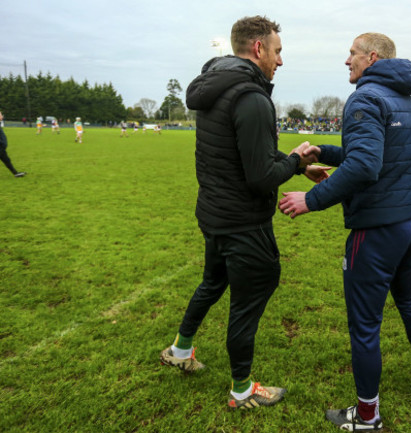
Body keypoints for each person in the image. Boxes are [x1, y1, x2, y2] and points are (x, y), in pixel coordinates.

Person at [159, 15, 328, 411]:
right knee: (250, 297)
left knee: (212, 282)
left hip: (215, 213)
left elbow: (246, 156)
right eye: (278, 51)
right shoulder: (251, 97)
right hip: (242, 220)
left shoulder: (219, 86)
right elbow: (260, 176)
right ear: (258, 49)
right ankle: (242, 389)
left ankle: (181, 350)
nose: (280, 61)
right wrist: (296, 158)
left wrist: (300, 167)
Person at [279, 32, 411, 431]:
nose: (345, 60)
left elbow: (366, 166)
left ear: (371, 57)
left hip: (377, 228)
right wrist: (326, 152)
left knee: (365, 324)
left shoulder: (366, 97)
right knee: (409, 300)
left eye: (351, 53)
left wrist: (311, 200)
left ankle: (367, 417)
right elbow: (376, 155)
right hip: (410, 221)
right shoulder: (404, 98)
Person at [0, 111, 27, 178]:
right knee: (6, 160)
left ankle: (16, 173)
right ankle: (15, 173)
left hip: (1, 148)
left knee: (7, 160)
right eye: (0, 115)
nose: (2, 116)